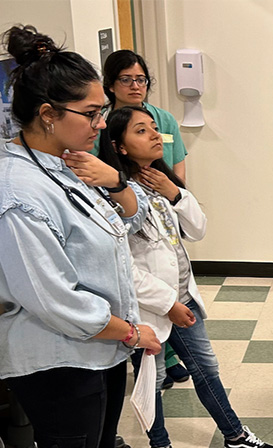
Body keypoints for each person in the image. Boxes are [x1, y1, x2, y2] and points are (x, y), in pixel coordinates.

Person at [0, 26, 161, 448]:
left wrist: (119, 182)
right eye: (93, 112)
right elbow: (54, 300)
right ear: (49, 115)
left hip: (100, 351)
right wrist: (132, 330)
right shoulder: (15, 194)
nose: (104, 122)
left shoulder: (65, 165)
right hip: (59, 362)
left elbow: (125, 226)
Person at [98, 106, 273, 448]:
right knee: (154, 376)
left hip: (184, 298)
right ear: (120, 147)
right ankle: (159, 445)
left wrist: (177, 193)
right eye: (141, 131)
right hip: (151, 308)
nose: (154, 135)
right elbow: (124, 269)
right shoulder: (115, 196)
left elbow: (197, 230)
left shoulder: (162, 184)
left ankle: (234, 434)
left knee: (206, 369)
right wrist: (168, 305)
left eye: (153, 129)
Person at [100, 49, 191, 389]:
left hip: (164, 201)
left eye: (141, 79)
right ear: (111, 85)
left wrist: (177, 193)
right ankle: (155, 356)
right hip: (128, 210)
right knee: (144, 286)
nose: (135, 85)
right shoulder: (104, 124)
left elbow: (177, 160)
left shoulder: (162, 119)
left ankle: (169, 351)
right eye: (126, 79)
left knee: (172, 280)